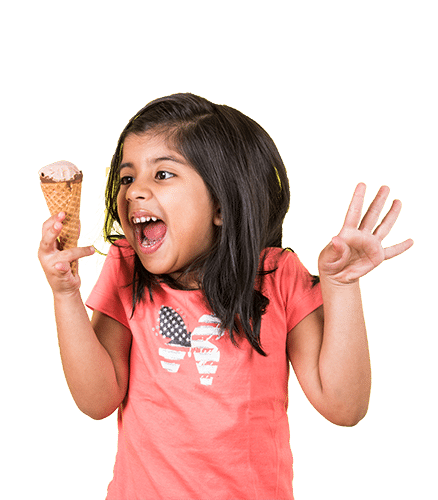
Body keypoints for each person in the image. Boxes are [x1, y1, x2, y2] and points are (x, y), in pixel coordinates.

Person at [37, 93, 414, 499]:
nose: (133, 192)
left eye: (162, 175)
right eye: (127, 178)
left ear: (221, 204)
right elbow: (97, 400)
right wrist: (65, 294)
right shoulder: (126, 267)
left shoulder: (278, 276)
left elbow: (344, 406)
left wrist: (341, 286)